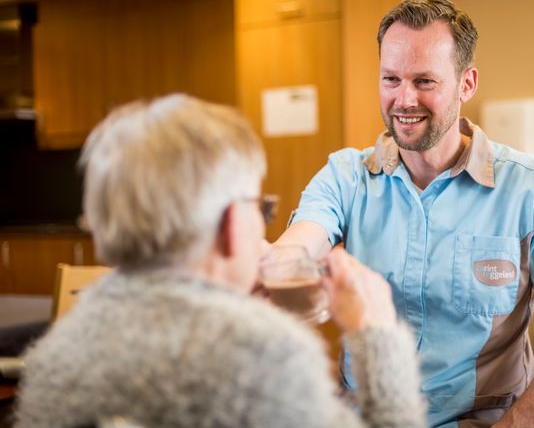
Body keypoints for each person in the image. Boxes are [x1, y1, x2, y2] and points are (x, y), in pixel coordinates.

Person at [277, 0, 534, 427]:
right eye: (391, 79)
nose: (404, 99)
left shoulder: (529, 185)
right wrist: (278, 263)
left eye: (424, 81)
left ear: (466, 84)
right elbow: (301, 240)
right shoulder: (346, 176)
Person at [15, 94, 427, 428]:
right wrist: (377, 339)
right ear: (231, 224)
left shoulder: (56, 353)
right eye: (260, 207)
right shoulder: (261, 357)